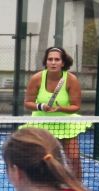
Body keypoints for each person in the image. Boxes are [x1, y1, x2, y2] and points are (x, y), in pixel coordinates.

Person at [22, 46, 89, 181]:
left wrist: (60, 108)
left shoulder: (71, 80)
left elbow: (76, 106)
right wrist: (41, 106)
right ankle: (38, 185)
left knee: (74, 158)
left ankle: (77, 187)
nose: (53, 62)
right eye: (50, 59)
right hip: (42, 125)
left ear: (63, 63)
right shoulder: (36, 78)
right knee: (42, 159)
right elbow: (28, 103)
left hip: (65, 124)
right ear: (46, 62)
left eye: (57, 60)